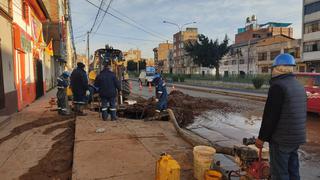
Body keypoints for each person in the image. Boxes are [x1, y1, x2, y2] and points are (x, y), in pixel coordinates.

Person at [255, 53, 307, 180]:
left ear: (277, 69)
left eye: (273, 69)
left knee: (280, 174)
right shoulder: (299, 86)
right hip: (296, 138)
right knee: (293, 171)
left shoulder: (278, 86)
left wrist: (261, 138)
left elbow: (270, 116)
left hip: (281, 139)